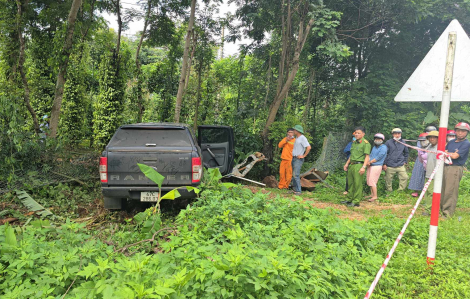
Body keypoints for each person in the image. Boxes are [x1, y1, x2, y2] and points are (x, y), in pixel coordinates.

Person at [441, 122, 470, 218]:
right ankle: (441, 209)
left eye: (463, 131)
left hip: (455, 168)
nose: (460, 133)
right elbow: (443, 152)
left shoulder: (466, 143)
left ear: (467, 133)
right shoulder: (451, 142)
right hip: (445, 166)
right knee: (443, 188)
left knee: (451, 190)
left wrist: (448, 153)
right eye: (458, 130)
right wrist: (450, 153)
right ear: (455, 131)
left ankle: (447, 213)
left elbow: (455, 156)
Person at [342, 126, 371, 207]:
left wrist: (363, 167)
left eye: (359, 133)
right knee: (350, 183)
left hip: (359, 165)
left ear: (363, 134)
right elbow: (352, 155)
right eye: (356, 133)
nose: (357, 134)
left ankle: (356, 201)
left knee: (357, 184)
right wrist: (347, 164)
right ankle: (349, 199)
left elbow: (367, 156)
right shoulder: (354, 143)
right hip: (351, 165)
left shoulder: (366, 143)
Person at [383, 128, 409, 192]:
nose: (397, 135)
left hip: (400, 164)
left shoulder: (403, 142)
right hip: (390, 164)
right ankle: (389, 191)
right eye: (395, 134)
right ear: (393, 134)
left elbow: (406, 152)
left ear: (400, 134)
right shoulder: (388, 142)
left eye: (398, 133)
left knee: (405, 177)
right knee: (388, 179)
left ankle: (400, 190)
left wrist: (405, 161)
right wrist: (384, 164)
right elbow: (384, 153)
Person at [366, 133, 387, 202]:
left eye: (379, 139)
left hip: (377, 165)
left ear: (382, 140)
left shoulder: (384, 147)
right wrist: (368, 161)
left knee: (372, 181)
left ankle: (375, 196)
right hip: (371, 165)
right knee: (369, 180)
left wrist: (370, 162)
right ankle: (372, 194)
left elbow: (379, 157)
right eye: (376, 139)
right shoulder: (374, 147)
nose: (377, 140)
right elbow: (371, 155)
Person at [291, 125, 311, 196]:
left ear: (297, 131)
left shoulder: (303, 138)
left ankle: (299, 191)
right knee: (293, 175)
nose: (293, 131)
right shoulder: (297, 138)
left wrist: (303, 155)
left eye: (294, 130)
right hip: (293, 158)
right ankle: (294, 190)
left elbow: (308, 147)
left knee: (296, 175)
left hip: (298, 159)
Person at [423, 131, 439, 215]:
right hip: (428, 172)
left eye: (434, 137)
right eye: (430, 137)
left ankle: (428, 210)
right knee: (427, 191)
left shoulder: (439, 148)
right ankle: (428, 206)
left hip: (435, 174)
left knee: (432, 192)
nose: (432, 139)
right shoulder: (429, 146)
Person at [408, 132, 428, 197]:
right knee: (417, 174)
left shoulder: (433, 140)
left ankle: (425, 192)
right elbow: (419, 149)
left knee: (427, 176)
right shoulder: (421, 139)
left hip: (429, 160)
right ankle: (416, 191)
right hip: (421, 159)